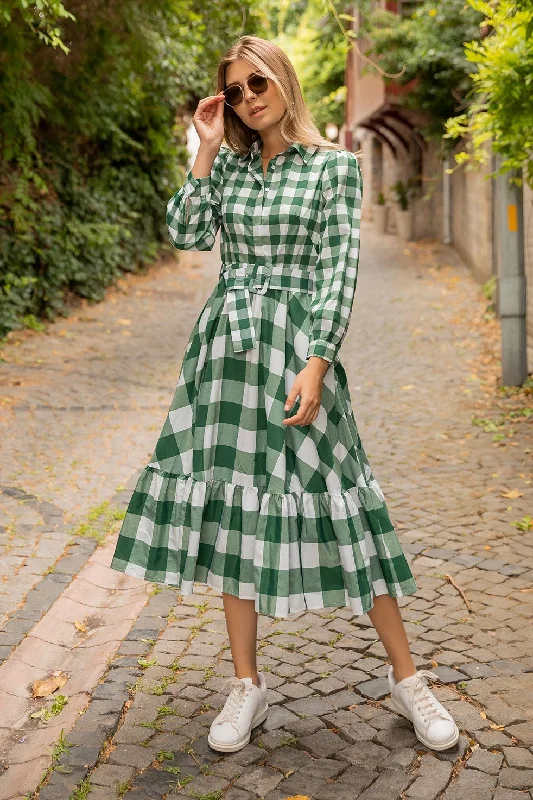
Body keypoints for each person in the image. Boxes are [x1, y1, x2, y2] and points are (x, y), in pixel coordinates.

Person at [110, 34, 459, 756]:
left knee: (343, 503)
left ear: (284, 82)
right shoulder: (230, 167)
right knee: (236, 506)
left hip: (297, 349)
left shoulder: (333, 168)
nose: (246, 99)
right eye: (234, 91)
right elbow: (184, 231)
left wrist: (319, 360)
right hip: (226, 353)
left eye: (257, 83)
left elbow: (339, 269)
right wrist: (205, 149)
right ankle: (247, 686)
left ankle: (407, 679)